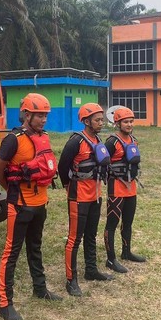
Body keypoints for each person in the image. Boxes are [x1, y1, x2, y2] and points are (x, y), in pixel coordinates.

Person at [0, 93, 62, 320]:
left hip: (40, 203)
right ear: (26, 114)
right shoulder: (13, 139)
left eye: (45, 115)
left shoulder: (44, 137)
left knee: (35, 247)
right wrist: (12, 190)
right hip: (20, 205)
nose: (43, 119)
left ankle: (40, 288)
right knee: (11, 254)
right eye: (39, 115)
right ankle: (5, 303)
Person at [58, 103, 114, 297]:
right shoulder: (76, 141)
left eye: (101, 119)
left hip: (95, 195)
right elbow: (62, 165)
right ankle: (70, 279)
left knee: (91, 235)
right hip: (79, 195)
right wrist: (68, 185)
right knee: (75, 238)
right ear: (86, 121)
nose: (101, 122)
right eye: (97, 120)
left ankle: (91, 270)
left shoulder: (98, 139)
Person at [104, 106, 146, 274]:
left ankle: (126, 252)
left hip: (131, 187)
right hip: (116, 188)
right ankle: (110, 259)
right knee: (112, 224)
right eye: (125, 122)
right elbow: (102, 161)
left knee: (127, 222)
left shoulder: (133, 140)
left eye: (131, 121)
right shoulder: (112, 142)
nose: (129, 124)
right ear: (117, 123)